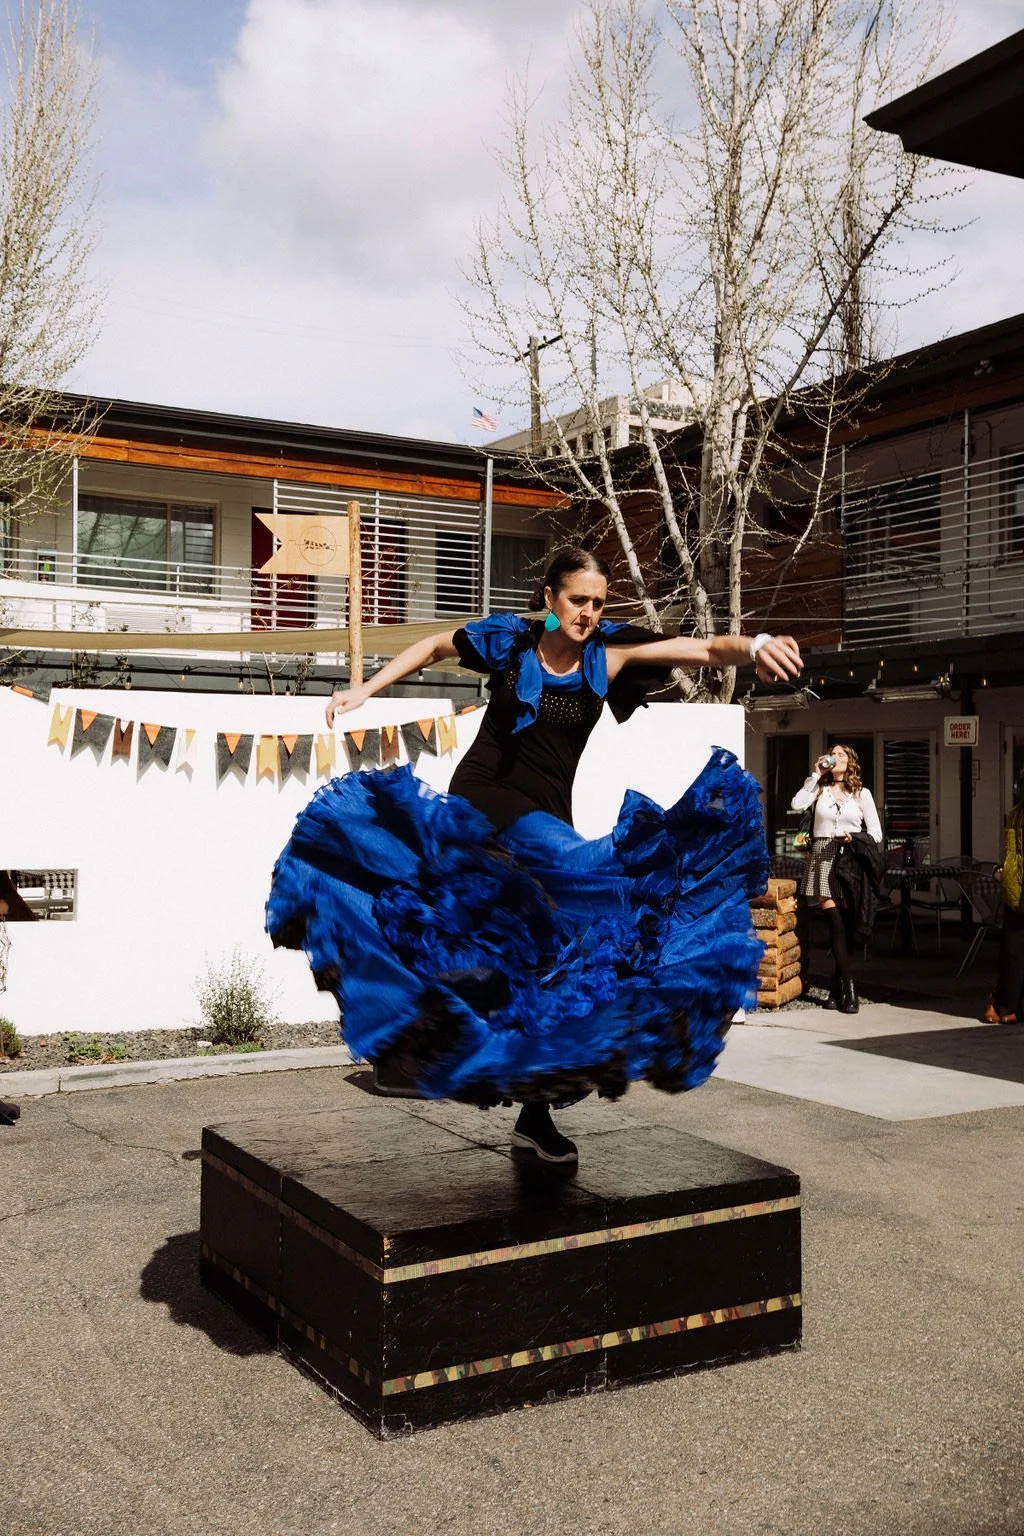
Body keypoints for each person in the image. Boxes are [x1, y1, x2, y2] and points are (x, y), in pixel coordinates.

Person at [267, 546, 802, 1164]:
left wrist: (757, 641)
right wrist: (366, 688)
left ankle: (533, 1112)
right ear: (550, 598)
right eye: (578, 600)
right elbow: (436, 645)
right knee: (586, 882)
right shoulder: (513, 642)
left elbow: (705, 649)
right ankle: (406, 1039)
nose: (589, 614)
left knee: (551, 959)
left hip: (547, 818)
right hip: (487, 801)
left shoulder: (609, 653)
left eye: (599, 603)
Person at [790, 744, 883, 1015]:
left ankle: (835, 986)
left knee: (848, 925)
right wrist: (815, 774)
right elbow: (796, 804)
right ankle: (851, 988)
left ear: (851, 762)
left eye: (841, 754)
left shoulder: (861, 793)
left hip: (851, 860)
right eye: (833, 753)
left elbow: (876, 833)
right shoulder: (820, 789)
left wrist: (853, 837)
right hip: (823, 857)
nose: (835, 757)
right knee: (835, 925)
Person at [982, 775, 1024, 1025]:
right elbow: (1009, 850)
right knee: (1013, 951)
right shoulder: (1015, 815)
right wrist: (1002, 870)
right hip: (1017, 889)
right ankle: (1001, 1002)